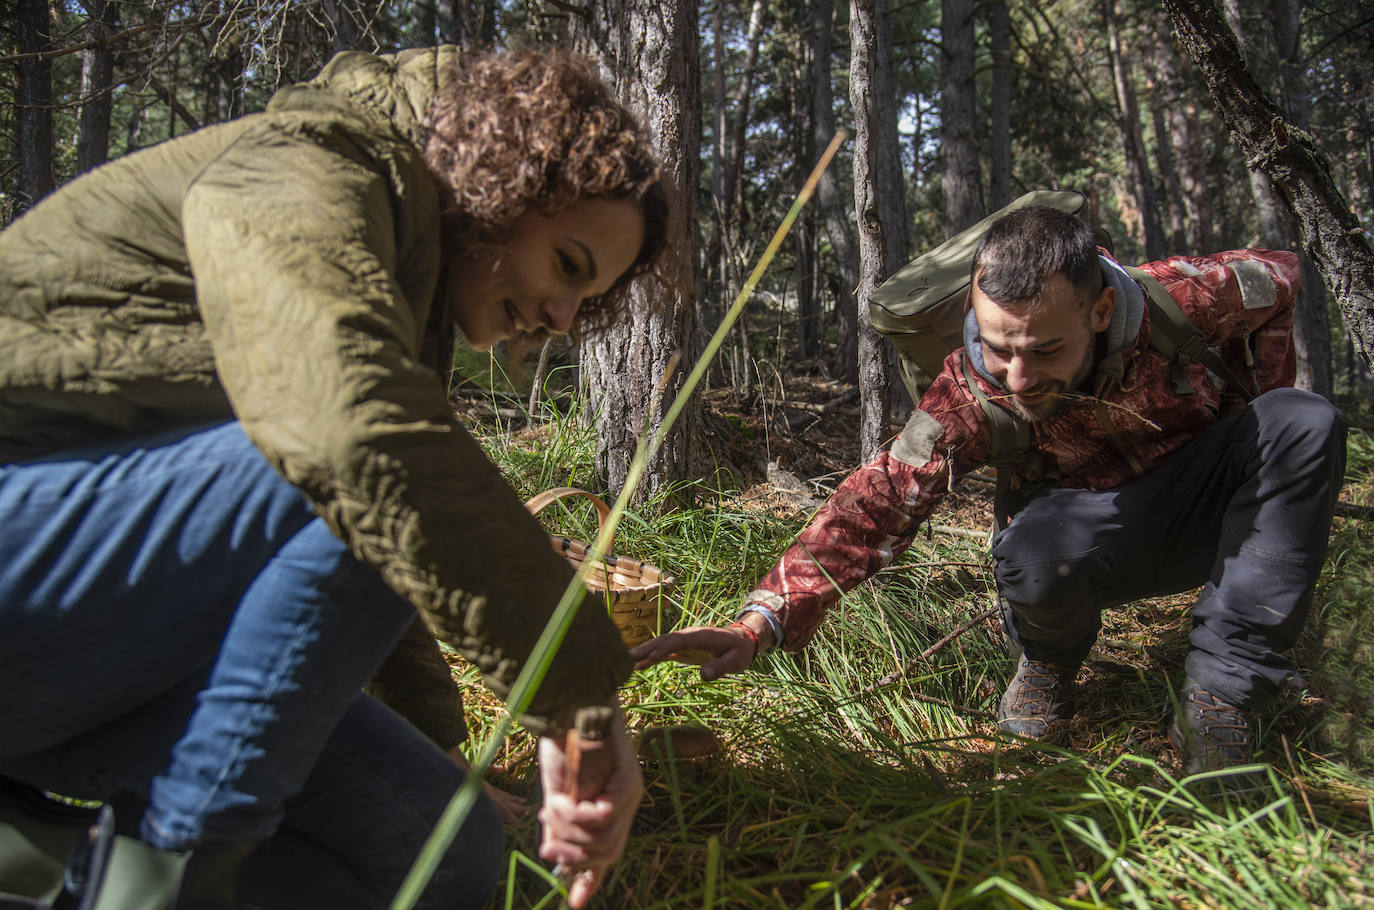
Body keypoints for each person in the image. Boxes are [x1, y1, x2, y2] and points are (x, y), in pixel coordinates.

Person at [0, 45, 667, 909]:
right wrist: (575, 697)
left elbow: (382, 562)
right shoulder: (309, 164)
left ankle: (36, 859)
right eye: (570, 267)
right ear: (505, 182)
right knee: (348, 460)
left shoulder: (408, 289)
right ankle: (161, 883)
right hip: (31, 580)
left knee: (438, 853)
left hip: (116, 639)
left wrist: (450, 753)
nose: (561, 317)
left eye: (589, 300)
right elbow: (353, 447)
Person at [634, 206, 1345, 778]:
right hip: (1086, 545)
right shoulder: (969, 396)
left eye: (1043, 350)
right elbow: (873, 501)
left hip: (1210, 506)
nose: (1016, 376)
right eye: (998, 345)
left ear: (1100, 312)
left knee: (1299, 422)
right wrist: (760, 622)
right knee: (1032, 553)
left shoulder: (1190, 297)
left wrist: (1254, 408)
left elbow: (1283, 275)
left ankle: (1224, 694)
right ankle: (1047, 664)